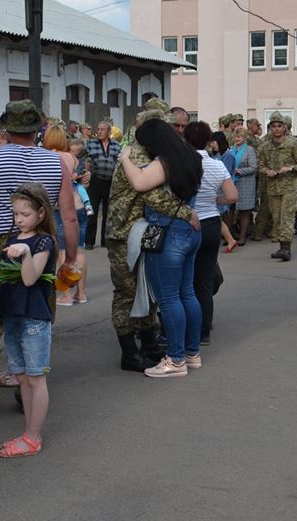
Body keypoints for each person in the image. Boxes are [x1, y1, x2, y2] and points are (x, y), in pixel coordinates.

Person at [0, 100, 79, 416]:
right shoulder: (55, 162)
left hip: (0, 244)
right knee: (35, 318)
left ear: (7, 127)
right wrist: (70, 258)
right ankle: (30, 392)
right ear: (38, 128)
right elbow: (69, 216)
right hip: (41, 245)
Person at [107, 103, 194, 372]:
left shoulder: (145, 151)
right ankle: (129, 352)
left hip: (142, 230)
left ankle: (148, 345)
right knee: (127, 292)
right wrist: (185, 212)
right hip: (124, 233)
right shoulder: (135, 154)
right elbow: (151, 194)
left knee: (148, 290)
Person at [0, 184, 58, 458]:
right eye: (16, 213)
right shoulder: (14, 237)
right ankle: (28, 433)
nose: (19, 219)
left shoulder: (44, 242)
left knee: (35, 378)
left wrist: (26, 253)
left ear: (41, 213)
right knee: (22, 377)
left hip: (33, 316)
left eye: (25, 213)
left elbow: (30, 279)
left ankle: (33, 436)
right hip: (13, 314)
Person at [186, 122, 238, 345]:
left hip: (188, 223)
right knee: (204, 282)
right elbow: (233, 196)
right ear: (209, 141)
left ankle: (187, 327)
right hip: (211, 223)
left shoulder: (183, 163)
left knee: (185, 281)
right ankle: (204, 331)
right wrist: (216, 200)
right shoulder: (217, 165)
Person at [42, 126, 89, 306]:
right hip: (80, 207)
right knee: (79, 251)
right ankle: (81, 293)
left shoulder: (48, 157)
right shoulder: (71, 157)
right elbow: (82, 177)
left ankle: (67, 293)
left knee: (63, 251)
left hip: (60, 208)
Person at [258, 112, 297, 261]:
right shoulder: (265, 146)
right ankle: (281, 247)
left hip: (289, 187)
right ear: (270, 128)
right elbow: (260, 166)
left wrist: (290, 168)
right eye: (273, 126)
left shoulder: (293, 143)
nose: (276, 129)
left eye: (279, 126)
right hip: (273, 188)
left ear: (285, 127)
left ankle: (286, 249)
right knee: (277, 219)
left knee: (287, 217)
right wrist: (267, 171)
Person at [83, 121, 120, 249]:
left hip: (110, 182)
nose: (99, 131)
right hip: (95, 181)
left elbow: (119, 163)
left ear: (109, 132)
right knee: (92, 212)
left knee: (107, 212)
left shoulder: (116, 145)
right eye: (98, 129)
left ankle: (105, 240)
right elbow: (84, 159)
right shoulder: (90, 144)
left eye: (103, 129)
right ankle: (89, 241)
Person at [229, 127, 258, 247]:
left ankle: (242, 236)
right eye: (236, 136)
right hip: (232, 183)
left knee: (244, 211)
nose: (237, 139)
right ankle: (230, 236)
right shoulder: (231, 149)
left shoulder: (249, 150)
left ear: (244, 138)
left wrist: (239, 171)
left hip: (246, 184)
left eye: (240, 136)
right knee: (230, 210)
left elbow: (253, 167)